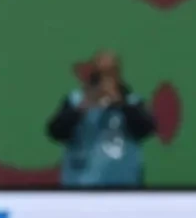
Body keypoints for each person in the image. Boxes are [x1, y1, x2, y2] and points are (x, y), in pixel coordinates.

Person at [46, 51, 156, 187]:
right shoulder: (76, 100)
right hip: (80, 184)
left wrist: (121, 103)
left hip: (123, 185)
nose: (104, 81)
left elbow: (146, 130)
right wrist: (83, 107)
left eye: (109, 73)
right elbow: (55, 132)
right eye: (99, 74)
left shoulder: (132, 102)